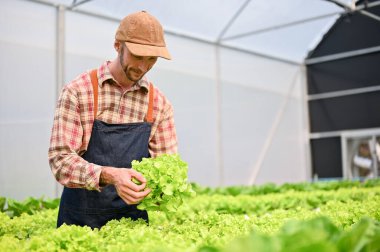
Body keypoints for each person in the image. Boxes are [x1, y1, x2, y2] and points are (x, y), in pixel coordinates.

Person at [48, 11, 177, 229]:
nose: (144, 67)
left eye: (152, 59)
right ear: (118, 46)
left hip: (132, 226)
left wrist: (160, 190)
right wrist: (111, 175)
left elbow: (167, 165)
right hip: (79, 220)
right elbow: (60, 160)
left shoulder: (159, 104)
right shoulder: (79, 91)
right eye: (138, 56)